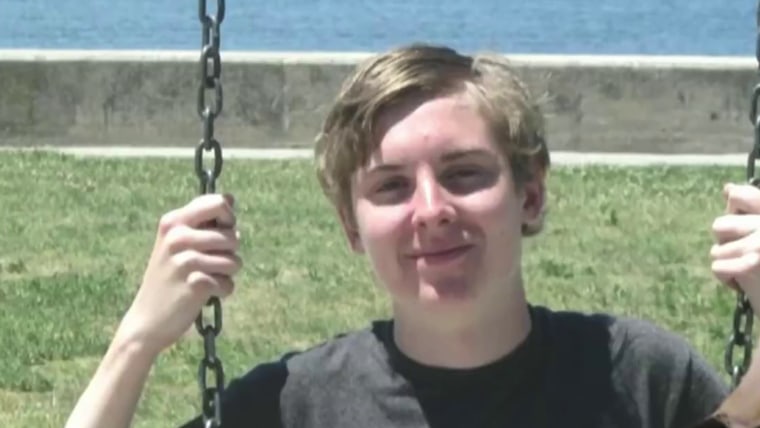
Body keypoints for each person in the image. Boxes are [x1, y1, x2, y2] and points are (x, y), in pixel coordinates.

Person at [65, 43, 760, 428]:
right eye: (391, 186)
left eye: (464, 174)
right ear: (351, 225)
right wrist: (137, 339)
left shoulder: (636, 378)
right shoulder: (293, 406)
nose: (431, 210)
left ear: (530, 193)